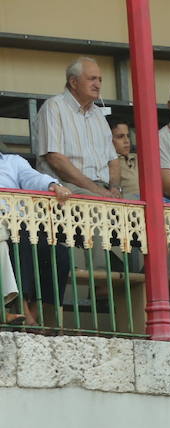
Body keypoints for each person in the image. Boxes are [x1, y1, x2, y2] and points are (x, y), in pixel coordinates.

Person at [0, 153, 73, 329]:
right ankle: (24, 312)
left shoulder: (12, 161)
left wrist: (52, 185)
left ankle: (36, 314)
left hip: (21, 224)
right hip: (6, 231)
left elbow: (32, 178)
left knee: (60, 254)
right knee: (21, 242)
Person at [33, 58, 115, 195]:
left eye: (100, 80)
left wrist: (115, 188)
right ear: (74, 82)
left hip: (104, 188)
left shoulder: (98, 114)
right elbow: (56, 160)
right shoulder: (54, 107)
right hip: (67, 186)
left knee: (148, 205)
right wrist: (97, 190)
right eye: (92, 79)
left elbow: (113, 160)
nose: (98, 85)